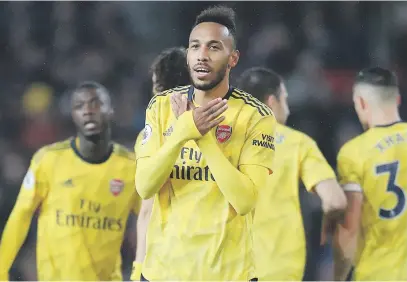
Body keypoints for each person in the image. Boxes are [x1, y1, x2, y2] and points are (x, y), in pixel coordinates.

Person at [135, 5, 277, 281]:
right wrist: (182, 131)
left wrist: (201, 136)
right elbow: (145, 186)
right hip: (165, 272)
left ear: (233, 58)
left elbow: (245, 200)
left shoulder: (255, 116)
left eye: (214, 47)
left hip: (227, 273)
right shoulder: (162, 106)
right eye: (194, 46)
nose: (202, 55)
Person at [0, 82, 141, 281]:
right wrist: (1, 270)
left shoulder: (131, 166)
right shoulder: (48, 160)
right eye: (80, 106)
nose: (88, 111)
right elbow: (21, 216)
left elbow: (149, 222)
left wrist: (143, 271)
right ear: (73, 115)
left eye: (96, 103)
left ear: (110, 111)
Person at [237, 67, 347, 280]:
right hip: (279, 266)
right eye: (284, 101)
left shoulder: (219, 142)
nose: (287, 109)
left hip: (227, 267)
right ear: (271, 102)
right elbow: (335, 201)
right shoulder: (297, 143)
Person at [334, 67, 407, 280]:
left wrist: (338, 277)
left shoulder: (353, 153)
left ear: (361, 103)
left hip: (377, 274)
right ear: (398, 99)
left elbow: (349, 230)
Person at [131, 46, 190, 281]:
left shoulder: (151, 135)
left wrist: (137, 269)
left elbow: (147, 209)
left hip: (163, 263)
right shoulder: (221, 126)